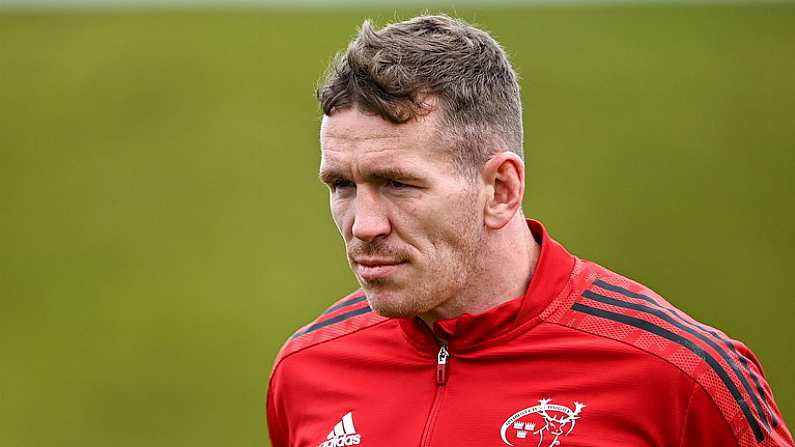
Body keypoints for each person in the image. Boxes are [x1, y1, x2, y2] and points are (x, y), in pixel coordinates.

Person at [266, 15, 792, 447]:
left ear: (500, 189)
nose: (365, 225)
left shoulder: (678, 375)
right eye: (342, 186)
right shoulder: (307, 370)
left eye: (398, 184)